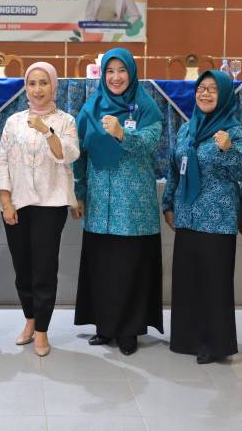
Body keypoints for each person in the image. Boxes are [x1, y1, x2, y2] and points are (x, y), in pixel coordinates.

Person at [72, 47, 163, 356]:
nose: (115, 77)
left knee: (130, 266)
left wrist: (123, 133)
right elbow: (79, 155)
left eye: (121, 70)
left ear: (131, 73)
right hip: (100, 203)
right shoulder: (91, 108)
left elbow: (151, 144)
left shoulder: (146, 107)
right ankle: (105, 325)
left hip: (133, 206)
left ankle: (129, 330)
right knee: (103, 266)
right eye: (109, 71)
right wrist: (79, 193)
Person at [0, 62, 80, 357]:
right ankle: (30, 319)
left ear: (54, 86)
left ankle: (42, 330)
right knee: (22, 267)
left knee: (44, 268)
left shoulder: (66, 121)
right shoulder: (14, 121)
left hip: (51, 204)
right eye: (32, 83)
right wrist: (5, 201)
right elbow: (1, 159)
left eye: (44, 83)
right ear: (25, 88)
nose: (38, 89)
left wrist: (46, 130)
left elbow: (68, 154)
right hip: (17, 203)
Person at [162, 70, 242, 364]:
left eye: (213, 89)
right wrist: (168, 204)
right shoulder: (187, 129)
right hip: (187, 215)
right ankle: (187, 338)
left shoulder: (234, 130)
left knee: (214, 283)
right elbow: (175, 169)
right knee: (187, 280)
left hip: (217, 218)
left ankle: (214, 344)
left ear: (224, 94)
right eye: (201, 88)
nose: (205, 93)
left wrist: (228, 149)